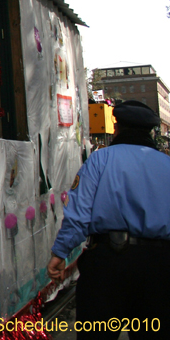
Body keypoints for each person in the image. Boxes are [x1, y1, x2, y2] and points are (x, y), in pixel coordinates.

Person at [47, 100, 170, 338]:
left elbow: (79, 214)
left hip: (108, 263)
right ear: (150, 131)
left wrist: (60, 253)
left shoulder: (99, 160)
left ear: (117, 127)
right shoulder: (167, 164)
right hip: (160, 267)